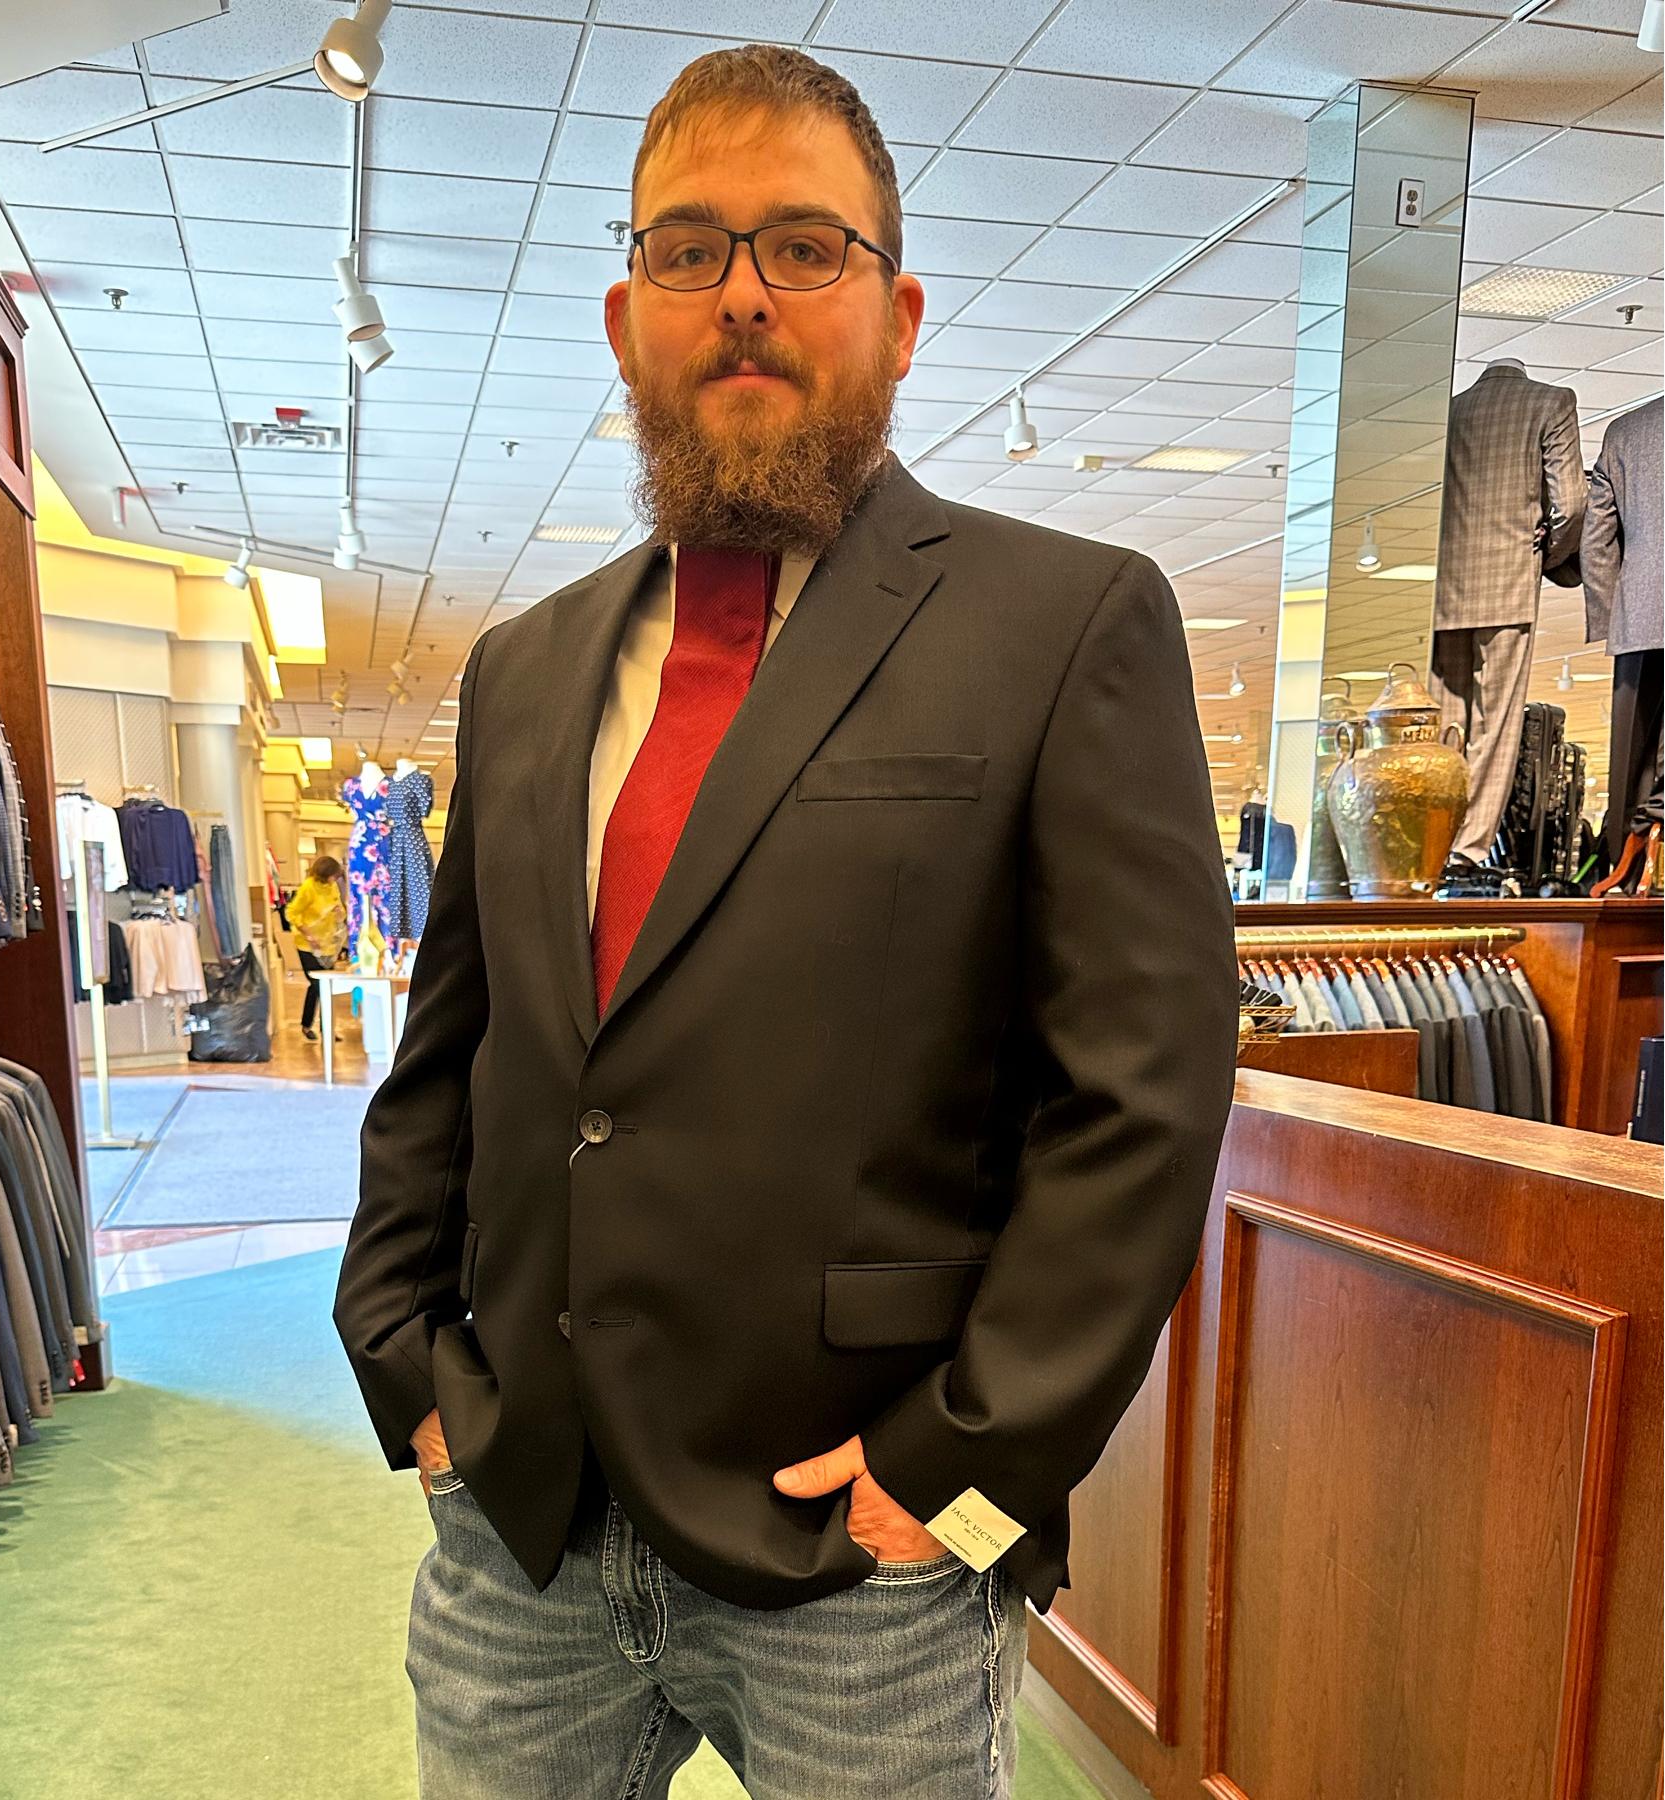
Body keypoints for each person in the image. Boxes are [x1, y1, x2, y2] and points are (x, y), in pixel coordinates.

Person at [335, 44, 1236, 1800]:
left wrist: (963, 1474)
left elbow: (1139, 1100)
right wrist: (401, 1353)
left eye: (803, 247)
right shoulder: (524, 670)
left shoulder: (1065, 626)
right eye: (690, 249)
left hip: (856, 1559)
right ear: (627, 320)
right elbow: (458, 1050)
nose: (742, 294)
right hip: (521, 1527)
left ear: (897, 316)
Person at [285, 855, 346, 1042]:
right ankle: (323, 1028)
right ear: (324, 873)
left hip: (328, 946)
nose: (334, 879)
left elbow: (340, 910)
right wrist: (308, 934)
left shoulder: (332, 887)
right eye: (333, 875)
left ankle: (313, 1027)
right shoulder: (308, 887)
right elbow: (291, 913)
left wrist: (339, 912)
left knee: (320, 986)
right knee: (319, 985)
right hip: (308, 946)